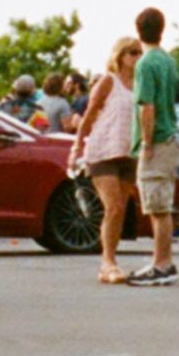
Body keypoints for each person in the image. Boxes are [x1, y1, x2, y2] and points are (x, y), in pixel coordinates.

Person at [68, 37, 144, 285]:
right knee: (112, 206)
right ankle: (108, 261)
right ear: (120, 55)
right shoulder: (108, 81)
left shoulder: (141, 84)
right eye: (132, 52)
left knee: (120, 208)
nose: (137, 57)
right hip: (103, 149)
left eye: (139, 53)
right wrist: (77, 145)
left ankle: (110, 260)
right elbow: (89, 115)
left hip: (128, 150)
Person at [125, 7, 179, 287]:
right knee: (163, 203)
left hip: (157, 139)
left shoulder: (145, 64)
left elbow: (146, 106)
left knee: (158, 206)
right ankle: (163, 260)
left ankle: (162, 263)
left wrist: (146, 143)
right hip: (170, 136)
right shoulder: (168, 61)